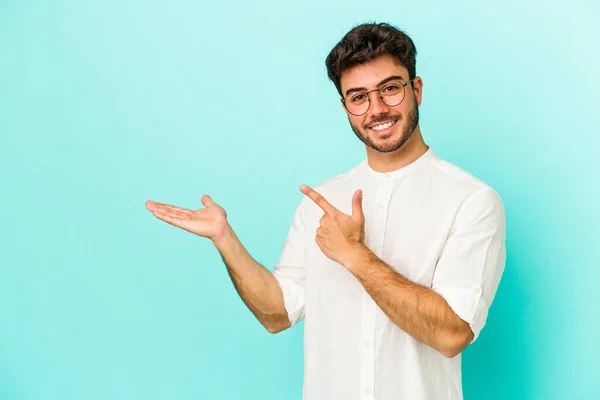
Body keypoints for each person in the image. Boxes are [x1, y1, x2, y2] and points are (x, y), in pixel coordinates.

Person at [146, 22, 506, 400]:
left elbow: (452, 333)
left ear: (415, 89)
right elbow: (277, 313)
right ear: (345, 106)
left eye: (390, 89)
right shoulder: (322, 200)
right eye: (358, 97)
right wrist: (225, 240)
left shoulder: (471, 200)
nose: (377, 109)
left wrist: (354, 256)